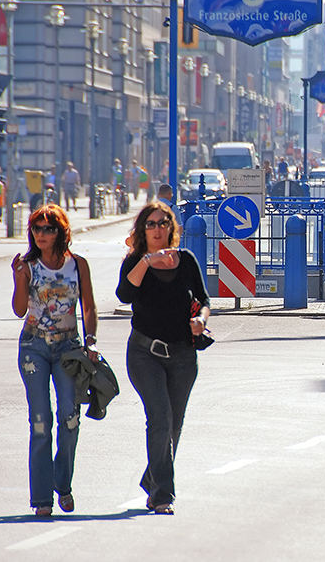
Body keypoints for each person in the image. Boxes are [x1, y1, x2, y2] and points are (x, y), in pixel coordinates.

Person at [116, 202, 210, 515]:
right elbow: (125, 296)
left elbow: (204, 299)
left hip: (183, 353)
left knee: (174, 424)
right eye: (151, 224)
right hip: (145, 353)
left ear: (171, 227)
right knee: (159, 418)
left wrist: (202, 320)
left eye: (163, 223)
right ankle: (162, 495)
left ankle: (153, 477)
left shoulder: (186, 261)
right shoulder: (134, 261)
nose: (158, 229)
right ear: (143, 231)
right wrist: (147, 261)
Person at [10, 205, 98, 517]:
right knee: (40, 422)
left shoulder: (78, 265)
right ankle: (42, 498)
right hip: (34, 346)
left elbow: (88, 306)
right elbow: (19, 309)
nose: (42, 234)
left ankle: (64, 483)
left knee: (70, 418)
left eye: (48, 228)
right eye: (36, 228)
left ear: (61, 231)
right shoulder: (28, 265)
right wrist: (18, 279)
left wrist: (91, 342)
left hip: (68, 348)